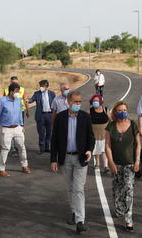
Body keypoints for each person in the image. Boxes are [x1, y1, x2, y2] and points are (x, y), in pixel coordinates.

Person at [50, 90, 95, 234]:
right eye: (75, 102)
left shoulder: (85, 117)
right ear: (69, 102)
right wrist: (53, 159)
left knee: (78, 188)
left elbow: (91, 137)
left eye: (80, 102)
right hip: (65, 158)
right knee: (70, 187)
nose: (78, 104)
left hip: (80, 158)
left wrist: (89, 150)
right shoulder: (61, 118)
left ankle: (80, 221)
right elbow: (54, 139)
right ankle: (74, 211)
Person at [105, 101, 141, 232]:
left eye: (124, 110)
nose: (122, 112)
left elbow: (138, 145)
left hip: (130, 164)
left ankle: (128, 219)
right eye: (119, 110)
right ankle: (119, 207)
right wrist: (111, 162)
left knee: (129, 189)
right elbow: (107, 146)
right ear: (115, 112)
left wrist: (137, 161)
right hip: (116, 164)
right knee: (117, 190)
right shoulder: (110, 126)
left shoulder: (133, 125)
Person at [0, 83, 31, 177]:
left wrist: (22, 125)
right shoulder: (2, 101)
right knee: (5, 148)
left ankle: (25, 166)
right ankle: (1, 169)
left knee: (21, 147)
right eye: (16, 91)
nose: (18, 93)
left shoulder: (18, 100)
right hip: (6, 129)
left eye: (18, 91)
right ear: (11, 92)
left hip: (17, 128)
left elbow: (20, 113)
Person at [3, 76, 29, 157]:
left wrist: (28, 110)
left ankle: (18, 146)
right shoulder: (6, 90)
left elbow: (25, 100)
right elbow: (4, 100)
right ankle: (12, 149)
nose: (14, 83)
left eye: (16, 82)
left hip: (20, 111)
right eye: (13, 82)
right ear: (10, 82)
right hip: (9, 112)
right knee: (10, 129)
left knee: (19, 129)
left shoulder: (22, 89)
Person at [28, 80, 56, 154]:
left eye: (43, 86)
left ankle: (47, 147)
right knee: (41, 132)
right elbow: (32, 99)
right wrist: (28, 100)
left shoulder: (52, 93)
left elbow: (54, 103)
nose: (41, 88)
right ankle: (42, 148)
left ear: (46, 86)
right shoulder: (37, 93)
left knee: (49, 132)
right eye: (40, 86)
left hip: (49, 115)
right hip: (41, 115)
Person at [89, 94, 110, 172]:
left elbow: (110, 120)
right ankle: (97, 163)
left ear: (100, 101)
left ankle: (105, 166)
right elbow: (87, 122)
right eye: (94, 101)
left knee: (104, 150)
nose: (95, 102)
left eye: (97, 101)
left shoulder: (105, 109)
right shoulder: (90, 110)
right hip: (94, 134)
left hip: (104, 134)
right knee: (96, 149)